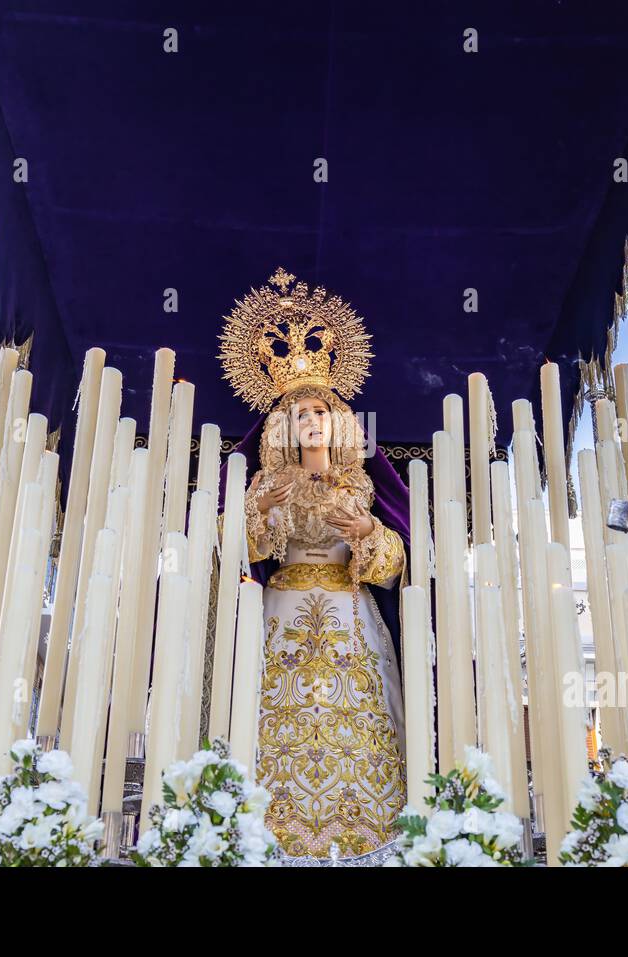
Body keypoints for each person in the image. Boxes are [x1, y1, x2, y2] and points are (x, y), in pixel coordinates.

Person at [219, 268, 410, 860]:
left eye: (319, 413)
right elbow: (239, 556)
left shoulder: (359, 482)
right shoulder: (266, 482)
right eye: (299, 414)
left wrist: (368, 534)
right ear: (283, 424)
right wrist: (260, 515)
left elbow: (397, 557)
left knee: (356, 720)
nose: (310, 422)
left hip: (350, 616)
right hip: (281, 613)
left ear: (337, 421)